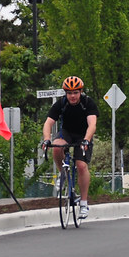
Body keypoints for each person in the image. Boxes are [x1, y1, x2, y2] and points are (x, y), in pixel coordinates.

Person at [43, 76, 98, 219]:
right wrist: (46, 139)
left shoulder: (88, 103)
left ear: (81, 92)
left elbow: (92, 124)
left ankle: (84, 203)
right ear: (65, 93)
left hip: (83, 135)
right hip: (66, 133)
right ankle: (63, 174)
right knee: (56, 147)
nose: (72, 96)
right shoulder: (61, 104)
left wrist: (86, 140)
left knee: (81, 166)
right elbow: (48, 123)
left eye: (75, 93)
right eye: (69, 93)